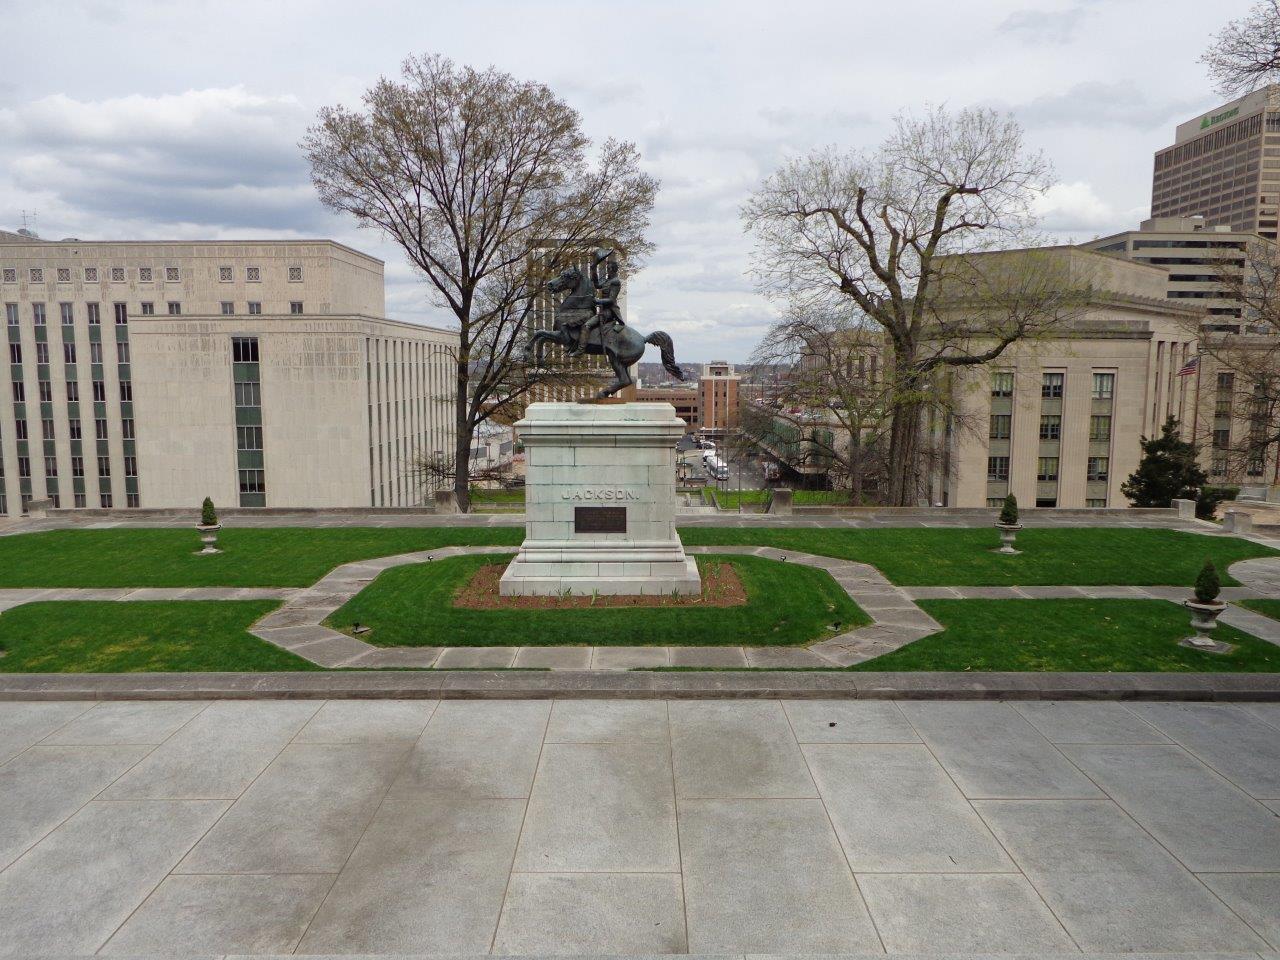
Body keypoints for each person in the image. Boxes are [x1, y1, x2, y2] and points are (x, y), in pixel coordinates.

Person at [569, 247, 624, 356]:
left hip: (608, 313)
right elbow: (597, 284)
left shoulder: (616, 282)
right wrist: (593, 269)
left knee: (586, 326)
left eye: (608, 268)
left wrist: (597, 301)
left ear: (613, 269)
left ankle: (580, 350)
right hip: (602, 310)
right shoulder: (608, 280)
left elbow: (611, 300)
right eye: (607, 268)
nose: (607, 270)